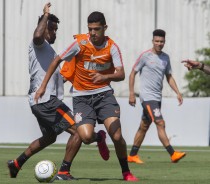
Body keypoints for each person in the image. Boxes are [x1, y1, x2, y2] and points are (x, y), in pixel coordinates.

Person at [35, 11, 138, 181]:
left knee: (117, 136)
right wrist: (43, 86)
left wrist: (106, 77)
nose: (93, 33)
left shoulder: (112, 47)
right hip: (82, 98)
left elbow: (121, 74)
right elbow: (57, 60)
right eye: (90, 29)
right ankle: (100, 137)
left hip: (104, 96)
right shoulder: (80, 43)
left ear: (105, 28)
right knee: (86, 136)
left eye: (97, 29)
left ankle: (126, 172)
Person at [7, 3, 82, 181]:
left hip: (41, 101)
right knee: (80, 130)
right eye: (52, 29)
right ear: (43, 26)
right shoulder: (38, 44)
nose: (54, 33)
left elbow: (50, 74)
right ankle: (64, 171)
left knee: (49, 137)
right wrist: (45, 16)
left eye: (56, 30)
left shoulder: (49, 49)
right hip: (46, 101)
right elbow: (38, 34)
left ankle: (16, 163)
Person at [128, 29, 186, 164]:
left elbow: (169, 76)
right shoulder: (145, 56)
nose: (159, 43)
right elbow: (132, 73)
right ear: (152, 41)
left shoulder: (165, 58)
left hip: (157, 98)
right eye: (157, 41)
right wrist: (132, 94)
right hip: (147, 98)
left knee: (144, 126)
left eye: (162, 41)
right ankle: (173, 154)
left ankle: (132, 155)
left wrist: (177, 92)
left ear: (164, 42)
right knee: (160, 123)